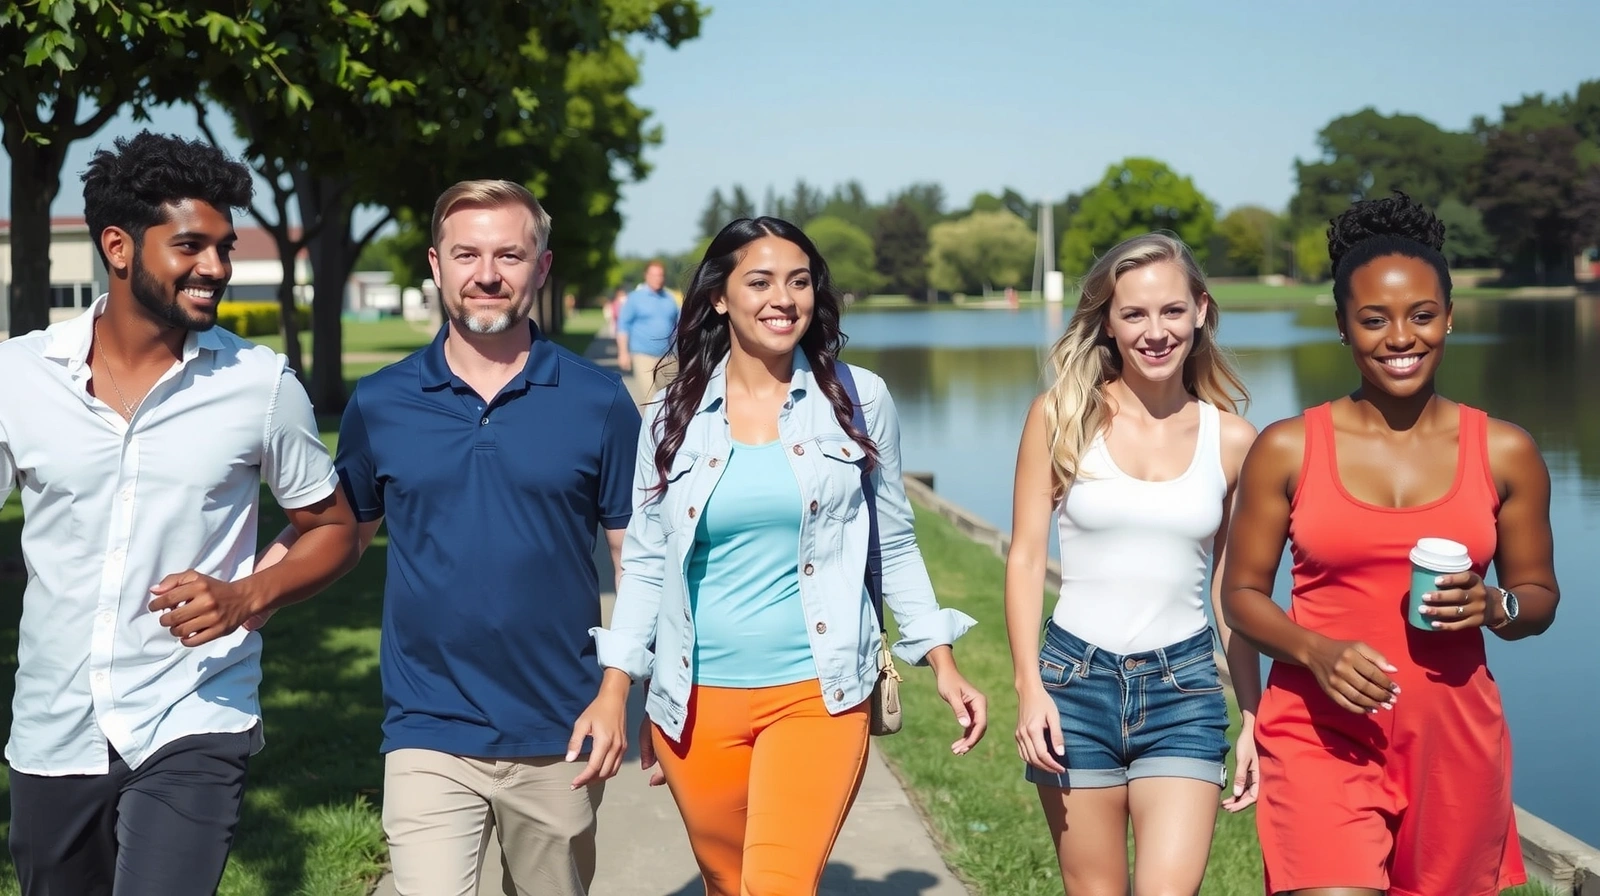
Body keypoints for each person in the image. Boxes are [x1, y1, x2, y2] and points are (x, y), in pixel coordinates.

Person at [257, 179, 642, 896]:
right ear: (436, 266)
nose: (487, 274)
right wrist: (247, 600)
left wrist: (620, 691)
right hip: (427, 726)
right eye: (466, 254)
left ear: (542, 267)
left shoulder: (600, 402)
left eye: (509, 255)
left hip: (561, 731)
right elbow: (333, 530)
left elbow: (637, 561)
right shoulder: (382, 402)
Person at [0, 130, 360, 895]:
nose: (218, 268)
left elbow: (332, 528)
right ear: (119, 247)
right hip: (54, 725)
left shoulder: (259, 385)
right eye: (193, 246)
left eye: (224, 247)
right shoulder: (19, 377)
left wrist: (248, 596)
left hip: (193, 711)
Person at [588, 217, 988, 896]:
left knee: (776, 886)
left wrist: (940, 660)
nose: (784, 297)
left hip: (818, 694)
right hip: (697, 701)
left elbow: (893, 538)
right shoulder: (671, 418)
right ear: (719, 296)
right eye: (761, 281)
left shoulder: (857, 401)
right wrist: (617, 689)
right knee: (728, 884)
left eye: (800, 281)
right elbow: (648, 564)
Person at [1220, 192, 1560, 896]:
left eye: (1422, 315)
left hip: (1454, 744)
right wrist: (1316, 650)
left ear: (1451, 318)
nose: (1400, 337)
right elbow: (1242, 596)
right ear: (1343, 327)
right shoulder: (1288, 448)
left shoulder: (1505, 451)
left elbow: (1541, 598)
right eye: (1373, 319)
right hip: (1320, 731)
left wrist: (1495, 604)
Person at [1004, 233, 1263, 895]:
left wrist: (1254, 717)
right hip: (1074, 686)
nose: (1156, 332)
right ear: (1108, 323)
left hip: (1184, 693)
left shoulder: (1232, 441)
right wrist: (1029, 688)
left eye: (1172, 311)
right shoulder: (1060, 417)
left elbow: (1234, 594)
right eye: (1135, 315)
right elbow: (1028, 558)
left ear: (1201, 310)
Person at [616, 259, 680, 402]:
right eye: (654, 275)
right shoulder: (635, 298)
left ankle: (667, 425)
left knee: (670, 400)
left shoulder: (670, 299)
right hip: (643, 356)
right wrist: (623, 353)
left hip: (668, 356)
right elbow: (623, 325)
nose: (658, 279)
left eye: (661, 275)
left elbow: (679, 325)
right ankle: (652, 425)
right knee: (651, 399)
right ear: (646, 276)